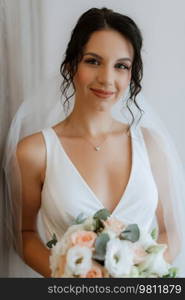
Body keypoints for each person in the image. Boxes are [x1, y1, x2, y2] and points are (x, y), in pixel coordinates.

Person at [2, 7, 185, 278]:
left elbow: (172, 231)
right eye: (93, 61)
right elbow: (24, 235)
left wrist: (139, 274)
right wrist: (69, 278)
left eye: (121, 66)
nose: (107, 79)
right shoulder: (35, 152)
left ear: (130, 76)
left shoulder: (151, 144)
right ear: (70, 65)